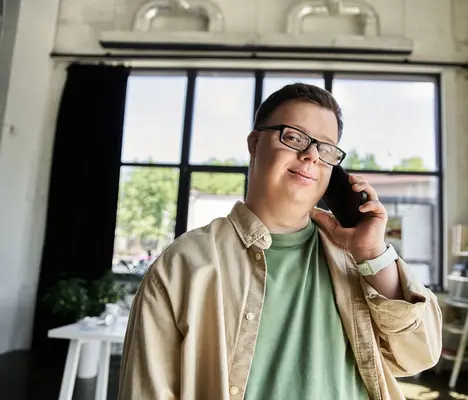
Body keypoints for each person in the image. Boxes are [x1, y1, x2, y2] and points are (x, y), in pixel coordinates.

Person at [117, 83, 442, 400]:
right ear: (255, 143)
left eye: (326, 148)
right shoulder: (184, 265)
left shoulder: (358, 257)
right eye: (294, 137)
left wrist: (373, 254)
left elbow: (419, 355)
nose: (312, 155)